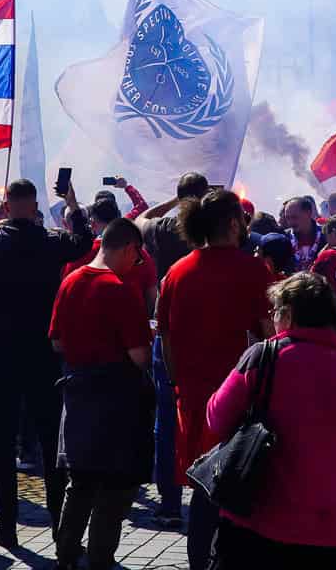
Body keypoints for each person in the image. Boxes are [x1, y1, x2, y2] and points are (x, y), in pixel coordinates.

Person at [206, 271, 336, 569]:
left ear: (289, 315)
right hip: (330, 523)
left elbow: (217, 418)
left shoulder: (264, 356)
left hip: (260, 517)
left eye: (275, 312)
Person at [0, 177, 91, 549]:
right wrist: (71, 202)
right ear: (34, 206)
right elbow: (83, 242)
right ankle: (60, 527)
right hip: (44, 354)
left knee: (3, 443)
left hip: (2, 355)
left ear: (5, 205)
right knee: (51, 442)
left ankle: (7, 524)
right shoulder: (51, 241)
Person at [158, 187, 275, 569]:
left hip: (192, 398)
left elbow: (166, 340)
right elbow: (271, 337)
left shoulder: (176, 272)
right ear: (231, 223)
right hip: (239, 401)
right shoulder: (252, 270)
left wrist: (179, 386)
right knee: (241, 491)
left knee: (204, 491)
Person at [51, 217, 155, 570]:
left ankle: (65, 555)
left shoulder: (70, 281)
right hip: (115, 398)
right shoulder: (120, 289)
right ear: (129, 248)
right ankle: (100, 559)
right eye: (137, 257)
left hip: (77, 391)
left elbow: (56, 341)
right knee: (114, 485)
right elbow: (139, 357)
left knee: (79, 481)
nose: (135, 264)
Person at [137, 172, 208, 526]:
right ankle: (207, 491)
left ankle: (168, 501)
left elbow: (141, 218)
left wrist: (173, 200)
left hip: (165, 328)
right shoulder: (205, 231)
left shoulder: (157, 229)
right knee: (207, 413)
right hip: (203, 331)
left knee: (165, 420)